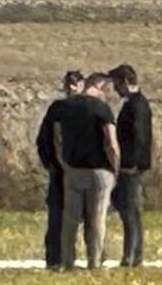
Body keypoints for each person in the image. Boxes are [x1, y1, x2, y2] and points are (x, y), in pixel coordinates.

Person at [56, 73, 120, 270]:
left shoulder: (65, 107)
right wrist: (115, 168)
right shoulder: (101, 109)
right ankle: (94, 261)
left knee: (71, 219)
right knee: (97, 218)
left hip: (73, 169)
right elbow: (111, 143)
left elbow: (57, 138)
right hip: (99, 171)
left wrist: (63, 163)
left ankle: (67, 261)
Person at [35, 71, 86, 269]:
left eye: (75, 83)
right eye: (68, 83)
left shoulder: (87, 108)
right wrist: (51, 164)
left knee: (86, 218)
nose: (71, 87)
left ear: (82, 85)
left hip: (82, 171)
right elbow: (44, 140)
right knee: (57, 216)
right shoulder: (57, 109)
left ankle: (87, 257)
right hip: (60, 173)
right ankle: (54, 259)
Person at [112, 64, 152, 268]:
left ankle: (132, 256)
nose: (115, 89)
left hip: (131, 166)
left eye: (117, 84)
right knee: (129, 209)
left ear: (126, 82)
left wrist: (131, 164)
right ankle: (133, 254)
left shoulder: (136, 105)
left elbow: (139, 137)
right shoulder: (136, 103)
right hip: (133, 165)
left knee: (130, 211)